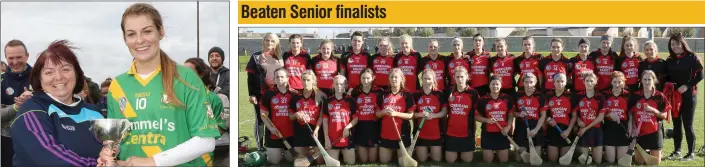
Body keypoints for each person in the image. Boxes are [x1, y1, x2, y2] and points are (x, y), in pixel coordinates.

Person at [99, 3, 220, 166]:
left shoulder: (186, 78)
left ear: (160, 32)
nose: (140, 40)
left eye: (147, 31)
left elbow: (206, 141)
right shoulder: (117, 86)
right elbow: (118, 140)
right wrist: (110, 153)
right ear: (125, 39)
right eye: (131, 34)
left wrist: (152, 161)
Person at [11, 40, 104, 166]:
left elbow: (111, 147)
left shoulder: (94, 112)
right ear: (40, 79)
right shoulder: (32, 110)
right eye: (49, 72)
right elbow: (48, 155)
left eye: (65, 69)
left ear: (77, 74)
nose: (59, 77)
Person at [664, 34, 703, 161]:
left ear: (683, 43)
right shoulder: (670, 59)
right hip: (675, 97)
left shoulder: (692, 57)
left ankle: (691, 153)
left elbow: (701, 75)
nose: (675, 46)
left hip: (688, 96)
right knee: (676, 124)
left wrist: (687, 85)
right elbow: (667, 76)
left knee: (688, 124)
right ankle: (677, 151)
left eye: (677, 43)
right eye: (672, 44)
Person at [246, 32, 284, 151]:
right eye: (267, 40)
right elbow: (250, 77)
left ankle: (275, 144)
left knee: (276, 119)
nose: (269, 43)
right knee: (261, 120)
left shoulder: (280, 57)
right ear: (263, 41)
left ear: (276, 43)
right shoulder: (256, 56)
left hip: (276, 94)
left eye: (272, 41)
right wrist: (251, 94)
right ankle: (259, 147)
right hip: (260, 94)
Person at [1, 39, 33, 167]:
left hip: (36, 140)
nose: (15, 62)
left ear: (27, 56)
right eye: (11, 58)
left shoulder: (40, 77)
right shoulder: (1, 81)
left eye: (19, 57)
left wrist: (33, 101)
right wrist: (16, 107)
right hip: (7, 142)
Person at [631, 70, 671, 165]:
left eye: (649, 79)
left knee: (655, 162)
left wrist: (653, 110)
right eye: (645, 79)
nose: (647, 82)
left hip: (654, 131)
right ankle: (640, 152)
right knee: (639, 161)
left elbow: (664, 115)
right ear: (641, 81)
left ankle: (659, 150)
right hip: (640, 132)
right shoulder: (636, 96)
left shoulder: (659, 96)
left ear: (654, 80)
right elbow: (630, 113)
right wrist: (632, 126)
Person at [376, 68, 415, 164]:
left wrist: (395, 113)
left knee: (402, 163)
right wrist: (383, 112)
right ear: (389, 79)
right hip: (386, 134)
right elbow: (377, 114)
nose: (394, 79)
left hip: (402, 134)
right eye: (391, 77)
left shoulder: (407, 95)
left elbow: (410, 115)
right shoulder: (383, 95)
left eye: (396, 77)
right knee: (384, 161)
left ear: (401, 79)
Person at [258, 68, 296, 164]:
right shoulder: (268, 94)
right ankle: (271, 152)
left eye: (282, 77)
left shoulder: (294, 94)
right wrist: (271, 128)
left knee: (291, 159)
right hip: (274, 133)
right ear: (274, 79)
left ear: (287, 78)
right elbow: (263, 115)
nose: (279, 79)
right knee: (274, 161)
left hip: (291, 134)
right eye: (277, 77)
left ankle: (283, 151)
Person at [476, 75, 515, 163]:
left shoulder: (507, 98)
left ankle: (500, 149)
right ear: (489, 85)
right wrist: (486, 120)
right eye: (493, 84)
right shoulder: (483, 100)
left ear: (501, 85)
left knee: (504, 160)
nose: (495, 86)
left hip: (502, 132)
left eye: (497, 84)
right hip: (488, 133)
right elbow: (476, 116)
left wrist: (508, 127)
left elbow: (510, 114)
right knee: (488, 160)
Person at [412, 69, 447, 162]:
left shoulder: (439, 94)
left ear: (433, 79)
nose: (427, 81)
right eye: (424, 78)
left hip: (436, 133)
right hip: (420, 133)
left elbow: (444, 112)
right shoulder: (416, 94)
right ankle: (418, 150)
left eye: (429, 79)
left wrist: (433, 116)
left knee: (437, 160)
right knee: (422, 160)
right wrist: (420, 114)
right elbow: (411, 115)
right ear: (421, 79)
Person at [184, 58, 228, 133]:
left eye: (188, 72)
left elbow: (222, 126)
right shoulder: (180, 97)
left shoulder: (219, 98)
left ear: (201, 74)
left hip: (211, 142)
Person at [445, 67, 479, 163]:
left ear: (467, 77)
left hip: (466, 132)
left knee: (467, 160)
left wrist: (474, 136)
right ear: (454, 78)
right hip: (451, 132)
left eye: (462, 77)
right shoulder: (449, 92)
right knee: (450, 160)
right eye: (457, 77)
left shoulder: (473, 93)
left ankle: (463, 150)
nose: (460, 79)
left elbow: (475, 116)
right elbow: (445, 111)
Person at [322, 75, 357, 164]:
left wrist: (347, 127)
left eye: (341, 84)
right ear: (333, 84)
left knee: (350, 162)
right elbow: (325, 121)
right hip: (332, 139)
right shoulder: (327, 101)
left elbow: (356, 118)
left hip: (346, 137)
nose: (338, 86)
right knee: (333, 164)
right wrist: (326, 138)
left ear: (345, 85)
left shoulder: (351, 100)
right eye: (336, 84)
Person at [290, 70, 325, 160]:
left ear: (313, 80)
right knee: (299, 161)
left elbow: (321, 117)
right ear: (301, 80)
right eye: (304, 80)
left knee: (320, 161)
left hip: (316, 131)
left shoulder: (320, 96)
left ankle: (311, 151)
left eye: (308, 80)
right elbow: (290, 116)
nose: (306, 82)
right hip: (300, 132)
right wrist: (296, 114)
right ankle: (309, 152)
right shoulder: (296, 97)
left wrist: (316, 130)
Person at [573, 72, 606, 164]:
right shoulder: (578, 96)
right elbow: (575, 114)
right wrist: (579, 120)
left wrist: (586, 128)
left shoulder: (600, 97)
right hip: (582, 129)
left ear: (596, 82)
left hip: (596, 129)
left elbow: (600, 118)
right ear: (583, 82)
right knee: (584, 161)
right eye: (587, 81)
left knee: (597, 161)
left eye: (592, 81)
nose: (589, 83)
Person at [350, 68, 382, 163]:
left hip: (374, 126)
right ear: (360, 79)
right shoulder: (355, 92)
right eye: (363, 78)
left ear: (373, 78)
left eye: (368, 78)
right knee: (363, 160)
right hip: (360, 126)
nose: (365, 80)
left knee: (372, 160)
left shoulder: (379, 92)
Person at [512, 73, 546, 163]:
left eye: (531, 82)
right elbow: (512, 113)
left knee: (536, 160)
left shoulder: (540, 96)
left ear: (535, 82)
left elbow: (543, 115)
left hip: (535, 126)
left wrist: (536, 130)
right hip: (521, 125)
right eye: (526, 82)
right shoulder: (517, 95)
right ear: (523, 83)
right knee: (519, 159)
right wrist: (519, 114)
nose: (529, 84)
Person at [543, 73, 577, 162]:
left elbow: (574, 116)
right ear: (553, 82)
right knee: (553, 160)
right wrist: (548, 120)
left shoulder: (571, 96)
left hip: (566, 131)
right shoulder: (548, 95)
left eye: (562, 81)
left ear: (566, 83)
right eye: (557, 81)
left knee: (564, 161)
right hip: (553, 129)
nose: (560, 84)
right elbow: (543, 114)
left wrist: (568, 131)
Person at [602, 71, 631, 164]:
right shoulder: (605, 94)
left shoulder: (628, 95)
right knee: (611, 160)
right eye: (615, 82)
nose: (617, 85)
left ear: (624, 82)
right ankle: (600, 152)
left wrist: (630, 126)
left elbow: (631, 113)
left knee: (620, 160)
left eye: (620, 82)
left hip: (623, 127)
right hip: (609, 127)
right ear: (611, 82)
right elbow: (600, 113)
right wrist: (609, 114)